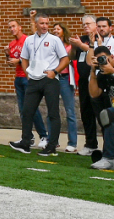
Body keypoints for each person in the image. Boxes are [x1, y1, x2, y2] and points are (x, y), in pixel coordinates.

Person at [9, 13, 69, 155]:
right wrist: (28, 74)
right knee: (27, 111)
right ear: (36, 24)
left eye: (47, 23)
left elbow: (65, 59)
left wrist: (55, 71)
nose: (45, 26)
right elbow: (24, 58)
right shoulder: (29, 40)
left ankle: (52, 145)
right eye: (42, 23)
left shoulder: (54, 40)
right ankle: (25, 142)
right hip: (34, 80)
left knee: (53, 113)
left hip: (49, 80)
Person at [8, 19, 46, 146]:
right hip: (18, 78)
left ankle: (43, 135)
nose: (12, 29)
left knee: (32, 108)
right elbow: (12, 60)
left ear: (20, 27)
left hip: (28, 77)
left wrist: (18, 61)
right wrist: (7, 55)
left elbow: (33, 57)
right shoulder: (12, 43)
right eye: (10, 27)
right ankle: (27, 137)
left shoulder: (27, 39)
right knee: (23, 110)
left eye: (13, 26)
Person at [70, 15, 101, 155]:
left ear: (95, 25)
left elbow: (96, 52)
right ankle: (90, 143)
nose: (86, 26)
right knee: (86, 112)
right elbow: (72, 56)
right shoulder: (81, 39)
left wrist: (82, 46)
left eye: (88, 23)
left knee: (101, 113)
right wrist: (73, 46)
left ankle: (109, 144)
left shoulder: (100, 39)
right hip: (83, 81)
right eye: (84, 24)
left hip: (98, 80)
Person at [52, 22, 78, 153]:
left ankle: (72, 142)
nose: (56, 31)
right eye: (54, 29)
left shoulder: (69, 46)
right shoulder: (50, 46)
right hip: (53, 79)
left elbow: (68, 60)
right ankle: (53, 141)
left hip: (65, 79)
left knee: (70, 111)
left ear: (63, 31)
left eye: (58, 29)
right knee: (52, 111)